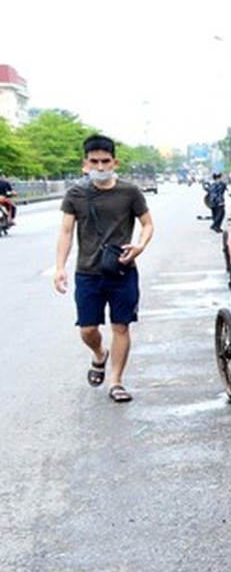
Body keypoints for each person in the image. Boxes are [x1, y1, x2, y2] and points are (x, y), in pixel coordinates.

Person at [53, 134, 155, 404]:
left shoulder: (130, 192)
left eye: (105, 161)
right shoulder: (75, 194)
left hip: (122, 270)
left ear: (115, 162)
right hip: (87, 273)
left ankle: (116, 381)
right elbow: (65, 231)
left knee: (121, 326)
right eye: (94, 161)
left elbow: (147, 224)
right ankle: (99, 354)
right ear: (85, 163)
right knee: (87, 329)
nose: (100, 167)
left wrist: (140, 246)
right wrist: (60, 267)